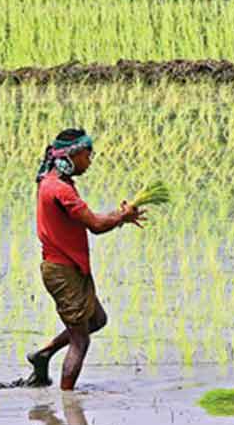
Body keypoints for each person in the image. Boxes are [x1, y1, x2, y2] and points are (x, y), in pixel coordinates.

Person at [25, 129, 145, 390]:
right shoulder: (60, 190)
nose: (91, 159)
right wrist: (121, 217)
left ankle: (43, 354)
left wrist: (119, 216)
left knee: (96, 321)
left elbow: (94, 221)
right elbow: (96, 225)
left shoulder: (53, 181)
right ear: (72, 154)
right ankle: (68, 400)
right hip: (62, 271)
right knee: (81, 341)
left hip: (72, 268)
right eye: (87, 154)